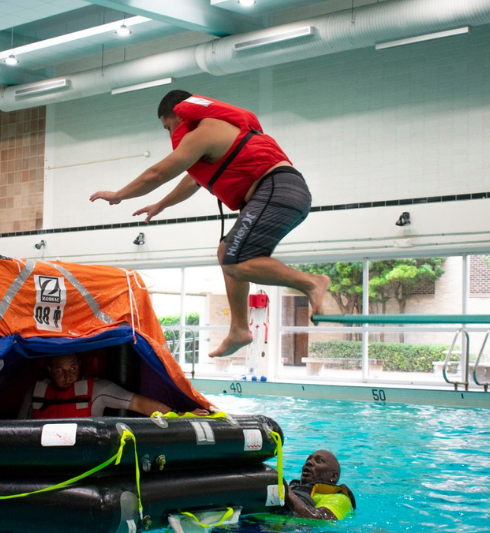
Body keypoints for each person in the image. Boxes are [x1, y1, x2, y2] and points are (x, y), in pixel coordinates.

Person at [90, 90, 330, 357]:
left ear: (178, 113)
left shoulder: (205, 131)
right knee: (225, 251)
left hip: (277, 189)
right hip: (280, 193)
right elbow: (193, 180)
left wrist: (118, 195)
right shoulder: (216, 134)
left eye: (168, 127)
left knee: (234, 260)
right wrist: (161, 205)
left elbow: (157, 173)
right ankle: (239, 329)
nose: (170, 134)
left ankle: (311, 283)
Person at [0, 353, 209, 420]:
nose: (68, 375)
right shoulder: (37, 390)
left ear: (80, 366)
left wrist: (180, 416)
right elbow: (20, 424)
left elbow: (140, 404)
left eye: (73, 368)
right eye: (61, 370)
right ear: (49, 370)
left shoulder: (97, 389)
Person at [282, 449, 355, 521]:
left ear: (333, 476)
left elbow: (320, 519)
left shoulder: (340, 499)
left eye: (319, 460)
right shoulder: (290, 489)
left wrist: (286, 492)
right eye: (308, 460)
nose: (309, 462)